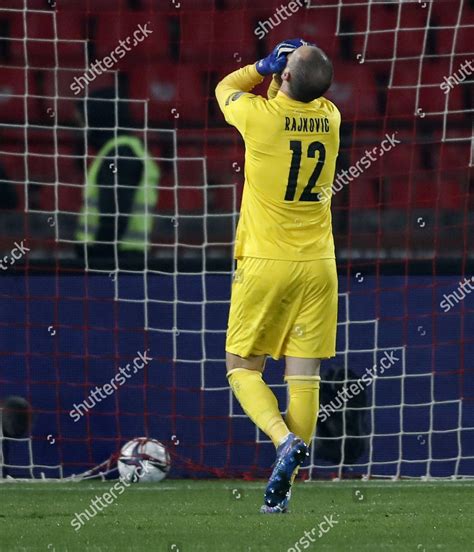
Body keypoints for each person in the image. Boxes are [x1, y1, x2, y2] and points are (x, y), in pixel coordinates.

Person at [215, 39, 340, 513]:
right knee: (303, 374)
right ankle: (282, 495)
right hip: (318, 267)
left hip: (266, 264)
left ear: (284, 78)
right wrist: (286, 72)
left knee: (241, 366)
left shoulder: (260, 119)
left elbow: (226, 87)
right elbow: (303, 94)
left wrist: (261, 65)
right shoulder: (331, 119)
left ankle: (282, 439)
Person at [75, 88, 159, 266]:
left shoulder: (120, 154)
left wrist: (96, 260)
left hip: (117, 260)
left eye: (83, 121)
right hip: (126, 258)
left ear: (97, 118)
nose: (82, 128)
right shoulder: (127, 149)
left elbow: (114, 215)